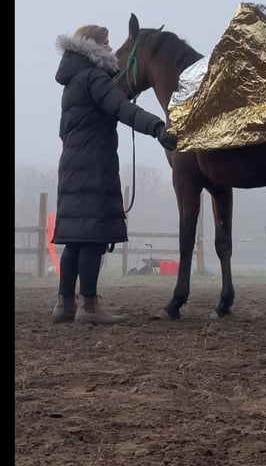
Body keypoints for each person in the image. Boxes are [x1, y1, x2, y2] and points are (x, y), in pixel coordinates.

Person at [51, 24, 177, 325]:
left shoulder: (72, 82)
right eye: (106, 42)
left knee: (74, 239)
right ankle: (89, 306)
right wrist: (158, 127)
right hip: (95, 165)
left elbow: (63, 131)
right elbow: (122, 109)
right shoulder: (95, 77)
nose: (110, 48)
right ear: (93, 47)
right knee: (92, 237)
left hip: (71, 165)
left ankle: (65, 305)